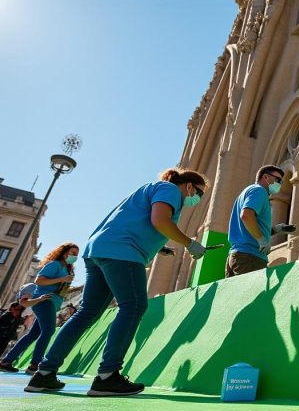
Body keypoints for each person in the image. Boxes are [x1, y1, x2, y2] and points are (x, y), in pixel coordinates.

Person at [26, 168, 210, 397]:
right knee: (133, 306)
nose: (198, 199)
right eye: (199, 194)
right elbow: (160, 219)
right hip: (122, 252)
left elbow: (137, 222)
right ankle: (107, 375)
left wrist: (158, 246)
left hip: (99, 251)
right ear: (189, 186)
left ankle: (44, 373)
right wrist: (189, 243)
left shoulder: (150, 189)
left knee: (86, 312)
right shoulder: (170, 189)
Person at [0, 244, 77, 375]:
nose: (74, 256)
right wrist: (62, 279)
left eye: (76, 254)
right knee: (48, 331)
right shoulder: (55, 264)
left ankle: (6, 361)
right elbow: (39, 281)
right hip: (45, 301)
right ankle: (35, 364)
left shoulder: (66, 269)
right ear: (64, 253)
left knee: (33, 334)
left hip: (51, 303)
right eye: (72, 253)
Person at [226, 165, 295, 277]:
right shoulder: (259, 191)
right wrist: (261, 240)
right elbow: (246, 216)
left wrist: (275, 230)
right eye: (278, 180)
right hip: (250, 256)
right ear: (266, 177)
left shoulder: (248, 191)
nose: (279, 184)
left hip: (237, 255)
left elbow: (248, 225)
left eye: (281, 182)